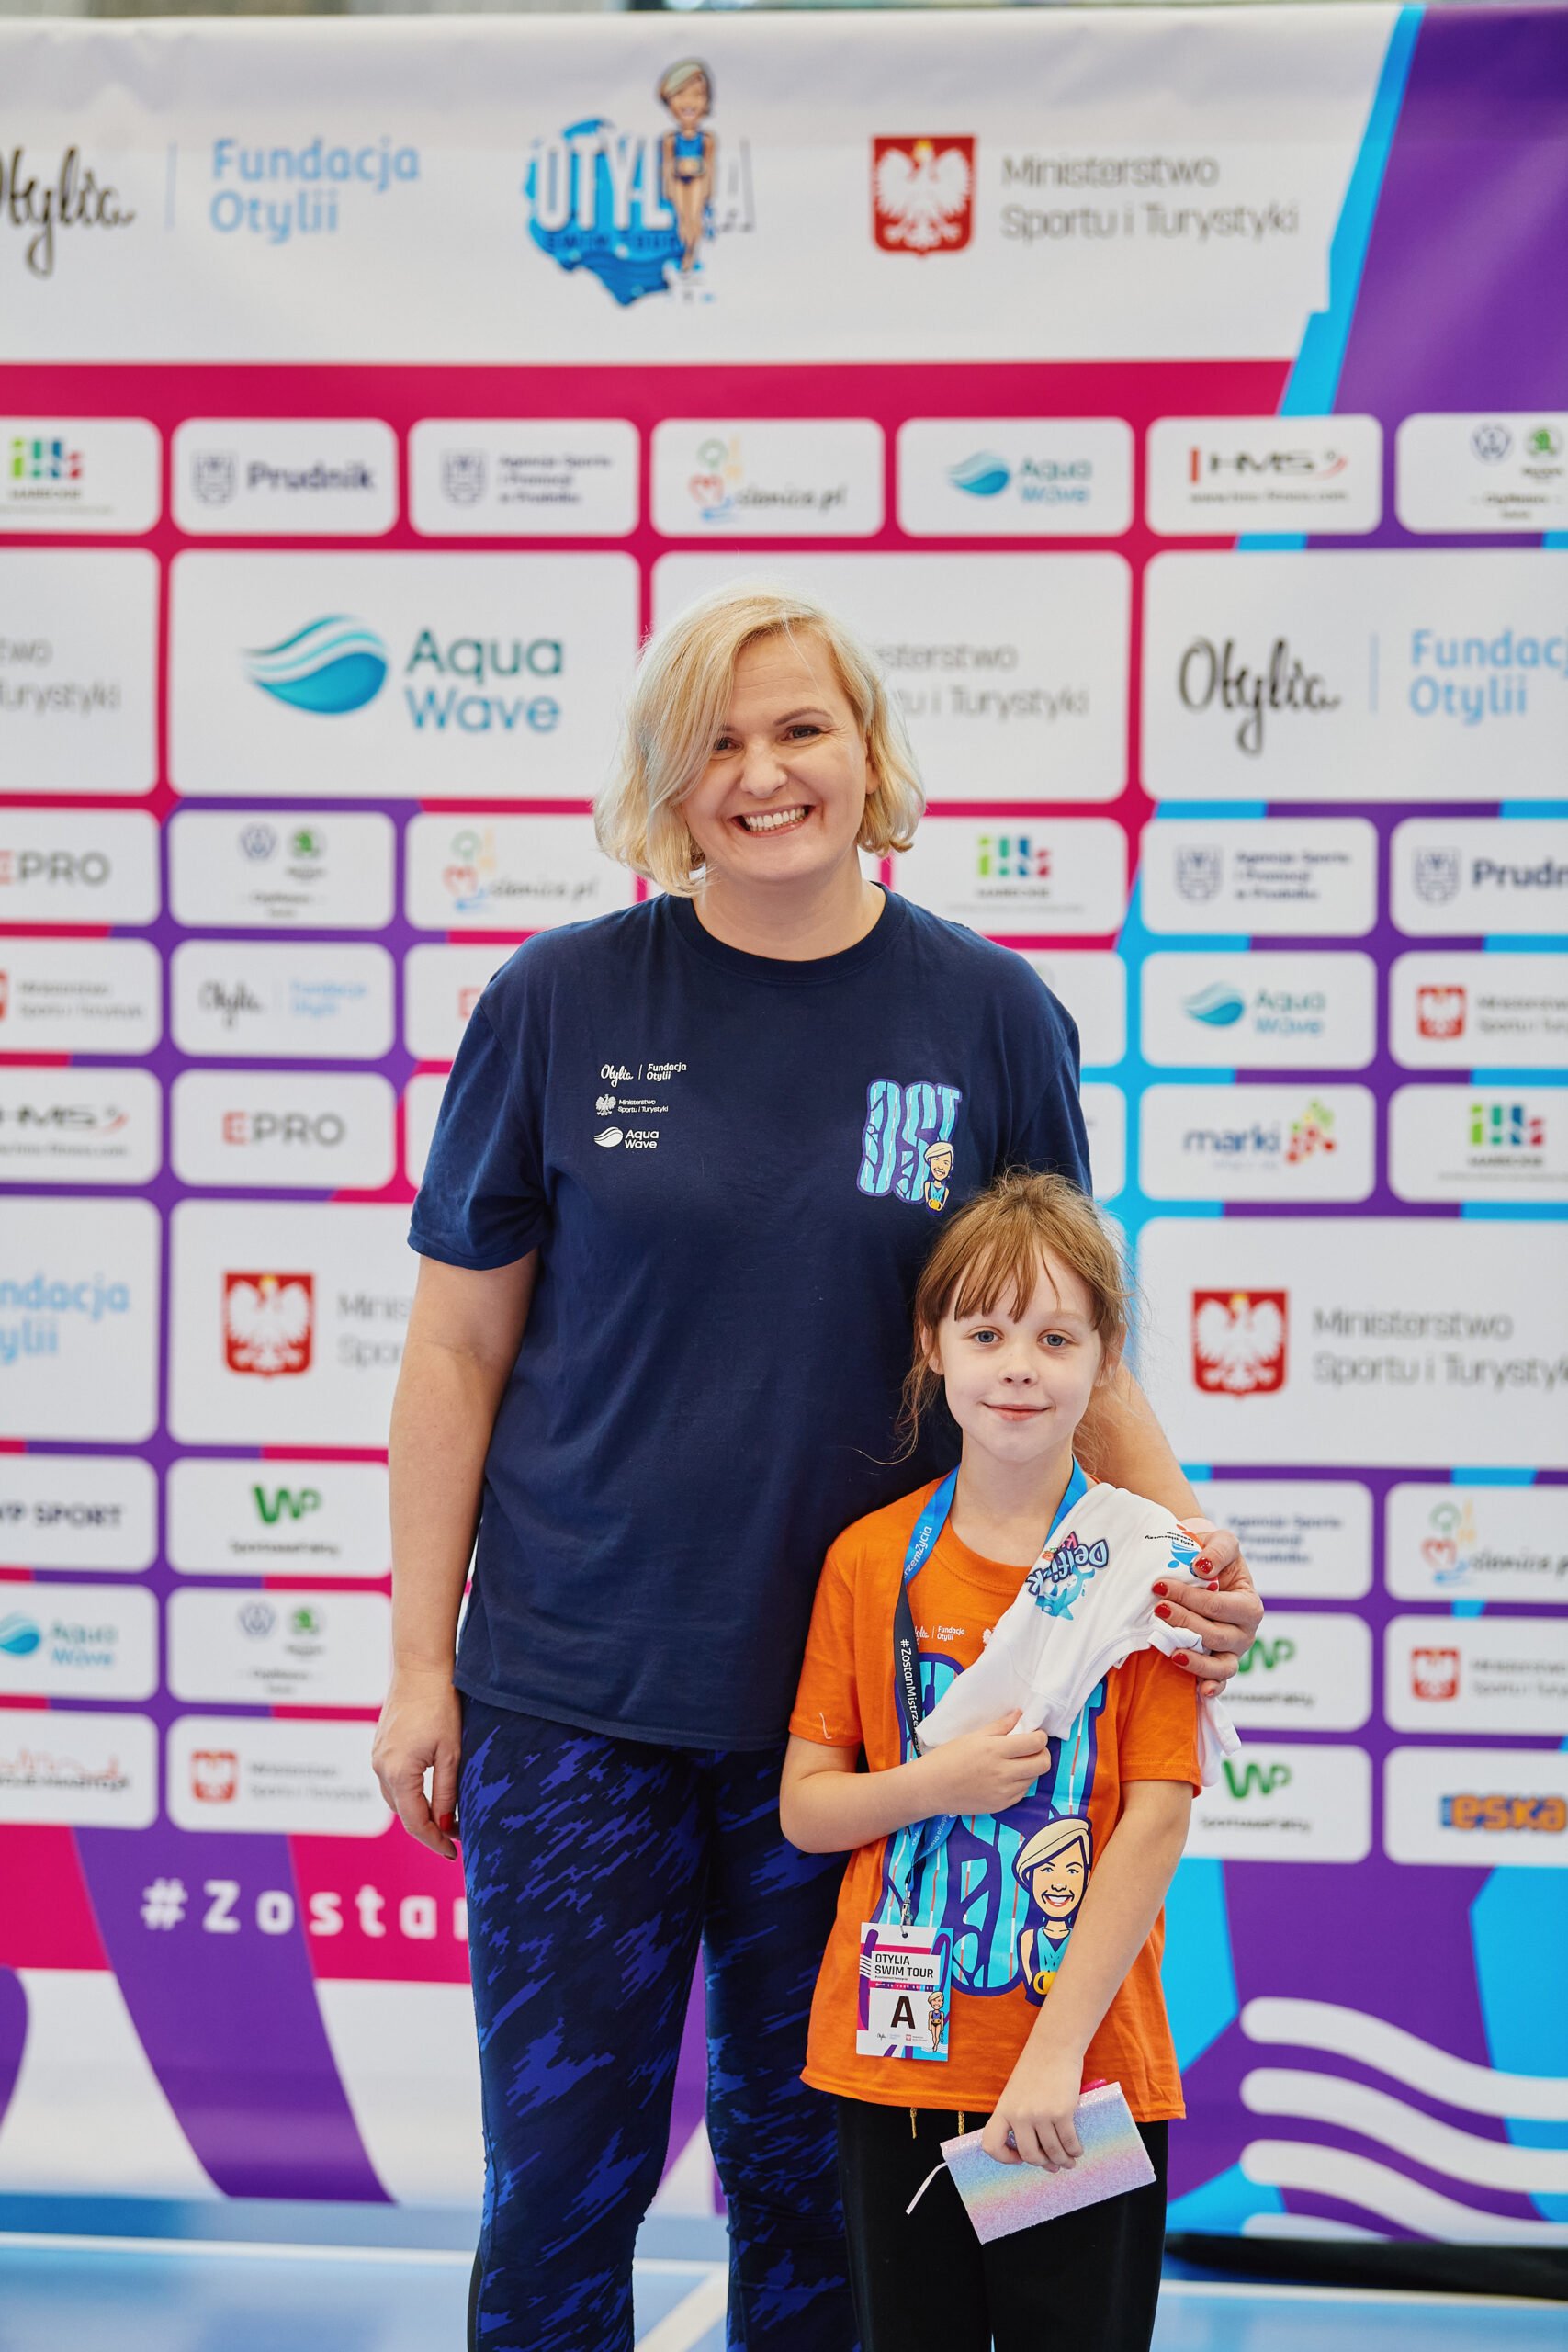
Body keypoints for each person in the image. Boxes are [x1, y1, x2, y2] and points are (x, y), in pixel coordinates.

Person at [370, 582, 1262, 2352]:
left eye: (799, 729)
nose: (761, 773)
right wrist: (416, 1666)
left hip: (884, 1722)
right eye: (714, 741)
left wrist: (1184, 1554)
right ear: (662, 778)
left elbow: (1065, 1339)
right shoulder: (553, 1003)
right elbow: (455, 1350)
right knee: (557, 2188)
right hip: (577, 1698)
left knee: (826, 2200)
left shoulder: (991, 1017)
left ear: (867, 750)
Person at [781, 1172, 1202, 2352]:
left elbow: (1157, 1820)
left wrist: (1054, 2060)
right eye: (986, 1333)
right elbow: (807, 1808)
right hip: (899, 2073)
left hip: (1077, 2079)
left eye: (1056, 1337)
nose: (1019, 1366)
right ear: (933, 1346)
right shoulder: (871, 1562)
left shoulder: (1147, 1568)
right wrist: (938, 1783)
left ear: (1105, 1361)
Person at [659, 59, 715, 278]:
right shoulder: (670, 139)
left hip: (698, 181)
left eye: (697, 94)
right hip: (679, 182)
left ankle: (692, 254)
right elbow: (667, 165)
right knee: (683, 218)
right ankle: (685, 254)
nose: (689, 102)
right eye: (681, 94)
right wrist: (669, 187)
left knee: (695, 217)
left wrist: (708, 188)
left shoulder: (707, 139)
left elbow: (709, 165)